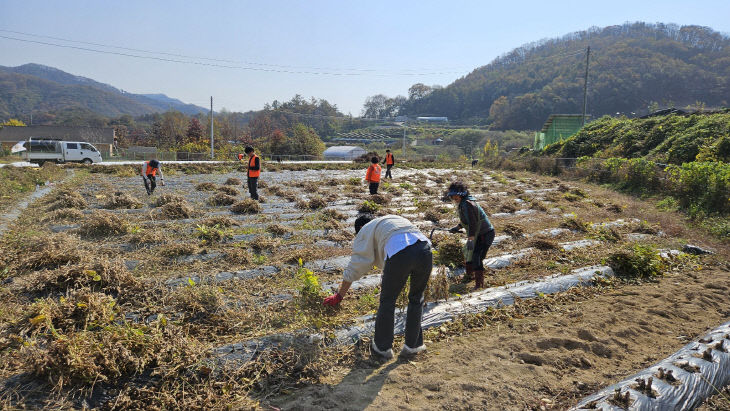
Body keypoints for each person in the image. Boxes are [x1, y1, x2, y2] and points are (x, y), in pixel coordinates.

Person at [323, 214, 433, 359]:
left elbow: (357, 264)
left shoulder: (365, 230)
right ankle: (413, 346)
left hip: (401, 253)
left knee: (387, 301)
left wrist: (340, 294)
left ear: (360, 228)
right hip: (425, 249)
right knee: (416, 298)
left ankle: (382, 348)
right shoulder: (390, 221)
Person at [447, 181, 495, 289]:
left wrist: (471, 238)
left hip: (485, 234)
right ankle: (469, 276)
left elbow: (473, 222)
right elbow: (466, 220)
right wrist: (458, 227)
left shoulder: (468, 204)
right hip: (477, 234)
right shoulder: (462, 204)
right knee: (468, 253)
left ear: (461, 194)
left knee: (476, 257)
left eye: (455, 195)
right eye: (452, 196)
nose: (453, 198)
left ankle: (479, 284)